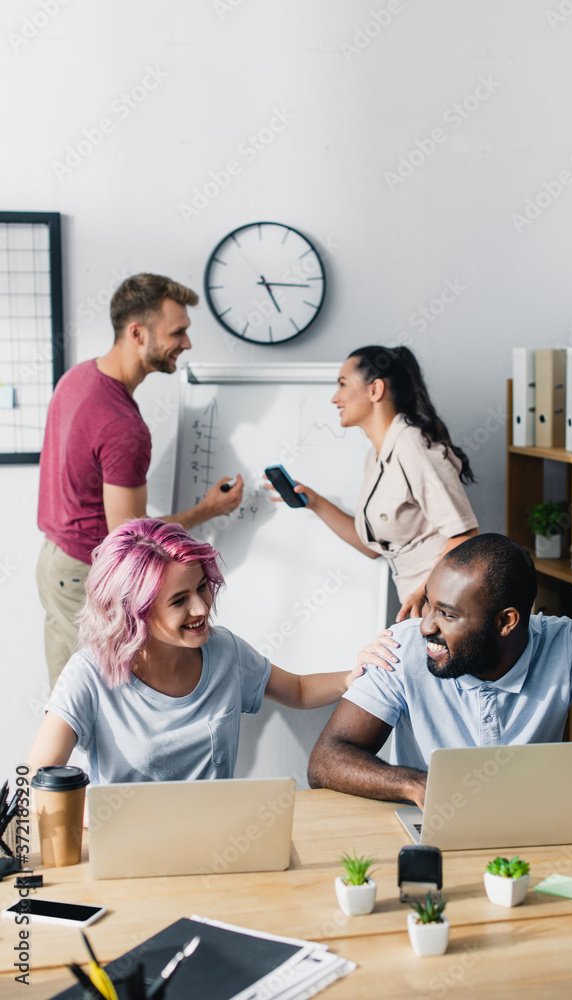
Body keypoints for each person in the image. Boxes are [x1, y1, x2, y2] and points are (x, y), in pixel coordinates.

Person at [308, 533, 572, 808]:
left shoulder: (568, 644)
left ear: (505, 622)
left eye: (447, 614)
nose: (425, 627)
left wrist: (560, 790)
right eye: (429, 605)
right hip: (429, 823)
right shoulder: (398, 649)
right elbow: (327, 759)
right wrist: (417, 784)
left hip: (537, 826)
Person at [27, 518, 388, 785]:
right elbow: (36, 779)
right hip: (130, 855)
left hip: (219, 844)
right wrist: (86, 819)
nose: (201, 608)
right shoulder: (89, 674)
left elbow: (296, 689)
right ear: (134, 611)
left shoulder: (225, 650)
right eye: (180, 600)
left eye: (202, 588)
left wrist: (350, 677)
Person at [37, 273, 244, 688]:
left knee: (76, 696)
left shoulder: (79, 377)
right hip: (83, 573)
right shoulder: (123, 426)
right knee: (83, 708)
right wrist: (208, 510)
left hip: (58, 560)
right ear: (137, 332)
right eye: (178, 332)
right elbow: (130, 539)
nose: (186, 343)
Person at [266, 346, 478, 623]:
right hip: (422, 606)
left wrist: (424, 592)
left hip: (446, 604)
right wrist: (314, 502)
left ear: (375, 390)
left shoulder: (412, 445)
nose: (334, 398)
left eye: (342, 385)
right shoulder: (376, 457)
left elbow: (465, 535)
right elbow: (371, 547)